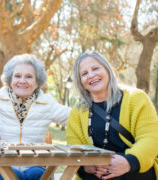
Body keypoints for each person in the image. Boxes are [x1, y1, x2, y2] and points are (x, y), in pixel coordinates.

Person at [0, 54, 71, 180]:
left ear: (37, 82)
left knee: (37, 175)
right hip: (1, 165)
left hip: (35, 165)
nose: (22, 81)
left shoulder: (47, 102)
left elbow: (73, 118)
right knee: (10, 176)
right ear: (10, 80)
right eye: (17, 76)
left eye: (29, 77)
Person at [66, 51, 158, 180]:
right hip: (97, 174)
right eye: (84, 73)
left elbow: (151, 138)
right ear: (81, 82)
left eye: (95, 68)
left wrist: (128, 162)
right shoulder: (77, 111)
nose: (91, 75)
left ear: (107, 70)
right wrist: (86, 166)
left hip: (135, 170)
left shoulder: (136, 98)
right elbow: (74, 149)